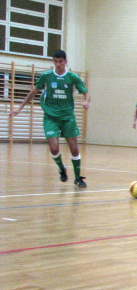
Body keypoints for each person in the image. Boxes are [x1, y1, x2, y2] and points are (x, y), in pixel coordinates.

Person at [10, 50, 90, 187]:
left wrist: (86, 101)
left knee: (74, 148)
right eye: (55, 61)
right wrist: (20, 108)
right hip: (50, 117)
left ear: (65, 62)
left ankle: (78, 178)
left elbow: (86, 93)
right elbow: (33, 92)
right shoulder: (46, 76)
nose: (58, 64)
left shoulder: (72, 77)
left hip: (67, 117)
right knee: (53, 148)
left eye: (60, 61)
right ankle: (62, 168)